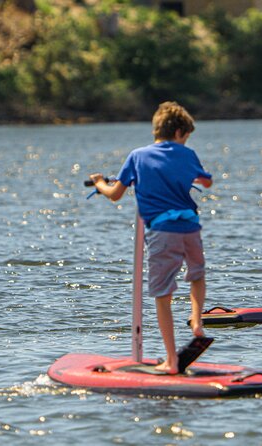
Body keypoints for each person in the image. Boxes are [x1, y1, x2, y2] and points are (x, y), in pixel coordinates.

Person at [89, 101, 213, 374]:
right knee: (197, 274)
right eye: (187, 137)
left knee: (162, 294)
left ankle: (171, 360)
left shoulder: (137, 156)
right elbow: (206, 182)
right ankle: (196, 321)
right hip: (191, 227)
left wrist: (99, 183)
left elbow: (115, 194)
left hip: (162, 232)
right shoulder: (187, 154)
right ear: (179, 132)